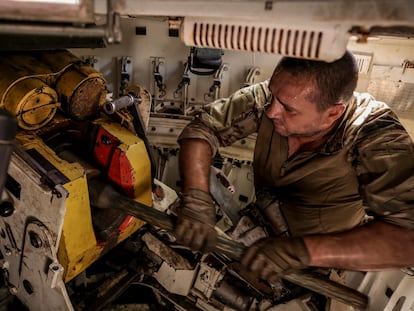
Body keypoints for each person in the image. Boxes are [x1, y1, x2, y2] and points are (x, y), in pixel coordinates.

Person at [174, 50, 414, 283]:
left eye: (288, 109)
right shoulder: (279, 96)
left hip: (310, 275)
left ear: (333, 114)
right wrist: (196, 199)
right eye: (273, 96)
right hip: (253, 232)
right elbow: (203, 128)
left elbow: (408, 239)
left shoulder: (376, 135)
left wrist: (299, 251)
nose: (271, 111)